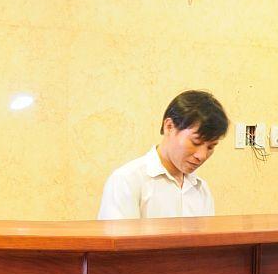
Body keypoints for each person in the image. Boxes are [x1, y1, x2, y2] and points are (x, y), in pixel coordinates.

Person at [98, 90, 229, 219]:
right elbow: (119, 234)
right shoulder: (127, 180)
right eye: (196, 142)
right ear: (169, 126)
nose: (202, 156)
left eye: (211, 147)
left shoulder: (201, 189)